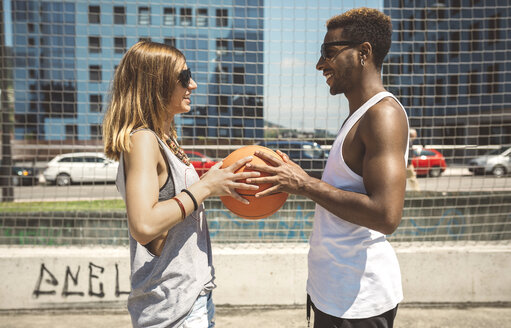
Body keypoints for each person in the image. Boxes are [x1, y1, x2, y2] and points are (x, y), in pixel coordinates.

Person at [246, 8, 409, 328]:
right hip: (336, 294)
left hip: (359, 303)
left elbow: (386, 215)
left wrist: (305, 184)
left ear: (364, 53)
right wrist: (296, 177)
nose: (321, 64)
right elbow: (348, 190)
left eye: (329, 53)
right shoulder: (358, 115)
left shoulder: (382, 115)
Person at [102, 41, 260, 328]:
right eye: (184, 77)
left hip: (189, 299)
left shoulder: (163, 138)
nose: (194, 85)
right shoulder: (143, 140)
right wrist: (206, 187)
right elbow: (144, 224)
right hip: (173, 309)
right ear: (157, 84)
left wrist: (220, 177)